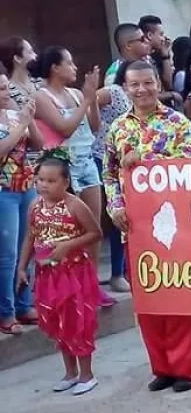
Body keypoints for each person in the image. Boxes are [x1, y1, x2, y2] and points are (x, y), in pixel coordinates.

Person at [103, 60, 191, 393]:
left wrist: (147, 161)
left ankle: (186, 367)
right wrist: (115, 206)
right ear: (126, 88)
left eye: (147, 83)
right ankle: (162, 366)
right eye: (134, 84)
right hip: (134, 227)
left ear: (158, 84)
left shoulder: (177, 123)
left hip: (174, 226)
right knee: (147, 300)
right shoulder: (117, 127)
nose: (141, 90)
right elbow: (109, 173)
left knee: (179, 295)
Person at [16, 150, 102, 395]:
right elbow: (30, 238)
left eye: (51, 181)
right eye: (40, 179)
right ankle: (70, 373)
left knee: (78, 322)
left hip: (74, 274)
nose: (44, 185)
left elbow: (96, 233)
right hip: (47, 276)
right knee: (58, 323)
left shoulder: (75, 205)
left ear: (66, 182)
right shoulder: (34, 205)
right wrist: (23, 267)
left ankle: (87, 374)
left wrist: (67, 246)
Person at [31, 47, 111, 306]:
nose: (75, 67)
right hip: (62, 165)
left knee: (92, 225)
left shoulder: (76, 94)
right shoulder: (42, 96)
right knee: (66, 227)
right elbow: (64, 128)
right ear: (55, 67)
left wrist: (90, 100)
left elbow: (94, 126)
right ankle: (68, 286)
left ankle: (92, 284)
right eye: (69, 63)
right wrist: (88, 100)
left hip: (86, 161)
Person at [0, 65, 42, 335]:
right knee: (8, 254)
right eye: (1, 89)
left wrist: (30, 119)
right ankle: (6, 311)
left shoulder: (16, 114)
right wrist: (22, 124)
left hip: (27, 185)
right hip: (3, 191)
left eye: (5, 87)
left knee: (29, 248)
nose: (5, 92)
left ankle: (25, 304)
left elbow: (37, 145)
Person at [92, 61, 133, 293]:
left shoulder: (136, 98)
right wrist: (96, 124)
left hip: (130, 164)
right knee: (117, 216)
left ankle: (126, 270)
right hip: (105, 158)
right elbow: (92, 100)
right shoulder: (114, 91)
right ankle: (117, 272)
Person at [138, 15, 182, 110]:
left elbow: (168, 83)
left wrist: (165, 55)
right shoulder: (140, 61)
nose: (163, 39)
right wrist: (170, 95)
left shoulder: (153, 57)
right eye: (161, 34)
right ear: (149, 35)